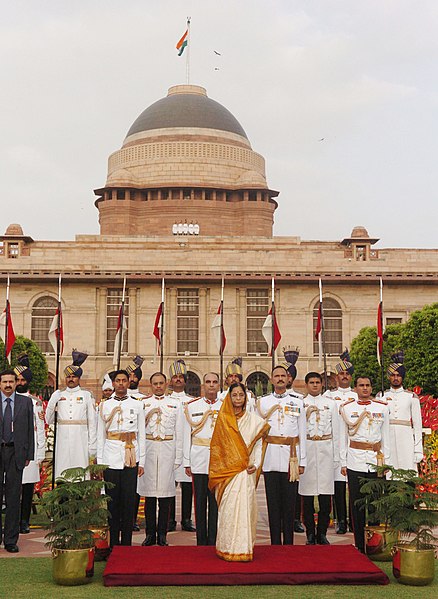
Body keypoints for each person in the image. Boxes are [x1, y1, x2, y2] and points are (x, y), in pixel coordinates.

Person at [209, 382, 270, 561]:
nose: (237, 398)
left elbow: (258, 445)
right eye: (234, 395)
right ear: (229, 397)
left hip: (246, 471)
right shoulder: (224, 420)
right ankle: (226, 547)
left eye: (240, 395)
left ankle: (244, 548)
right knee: (228, 509)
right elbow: (218, 448)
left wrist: (256, 464)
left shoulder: (255, 421)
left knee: (246, 509)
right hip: (227, 473)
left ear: (245, 398)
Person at [339, 375, 390, 553]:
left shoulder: (382, 408)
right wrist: (343, 462)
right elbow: (342, 437)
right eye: (361, 385)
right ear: (355, 388)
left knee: (375, 503)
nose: (365, 388)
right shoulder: (346, 408)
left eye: (368, 385)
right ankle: (359, 544)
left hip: (375, 461)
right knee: (357, 504)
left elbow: (387, 437)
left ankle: (374, 543)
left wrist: (386, 463)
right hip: (355, 460)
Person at [258, 365, 307, 545]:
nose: (279, 379)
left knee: (289, 503)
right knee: (273, 503)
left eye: (282, 376)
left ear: (288, 379)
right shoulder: (262, 403)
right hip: (270, 457)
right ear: (271, 380)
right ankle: (274, 543)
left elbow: (302, 433)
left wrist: (303, 461)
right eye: (276, 376)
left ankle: (288, 543)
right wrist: (258, 461)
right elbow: (258, 434)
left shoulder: (298, 402)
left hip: (290, 458)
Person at [97, 369, 145, 548]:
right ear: (113, 383)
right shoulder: (104, 405)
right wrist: (100, 462)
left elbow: (141, 435)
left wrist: (142, 461)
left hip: (130, 456)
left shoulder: (137, 404)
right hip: (111, 456)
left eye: (124, 380)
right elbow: (100, 435)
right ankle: (113, 545)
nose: (121, 384)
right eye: (118, 380)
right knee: (113, 502)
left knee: (128, 501)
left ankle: (126, 544)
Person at [138, 372, 184, 547]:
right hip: (149, 449)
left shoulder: (175, 404)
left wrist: (178, 457)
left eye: (161, 383)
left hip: (167, 449)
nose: (158, 386)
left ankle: (163, 534)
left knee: (165, 496)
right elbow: (139, 432)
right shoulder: (143, 404)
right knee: (149, 495)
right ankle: (150, 534)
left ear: (166, 384)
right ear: (151, 385)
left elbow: (179, 432)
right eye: (155, 383)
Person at [299, 372, 339, 545]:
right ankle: (309, 533)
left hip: (325, 451)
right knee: (306, 497)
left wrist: (337, 458)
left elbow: (337, 432)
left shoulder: (331, 404)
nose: (315, 385)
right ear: (306, 385)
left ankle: (322, 532)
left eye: (317, 382)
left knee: (325, 496)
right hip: (307, 450)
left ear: (322, 384)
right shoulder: (301, 404)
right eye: (311, 382)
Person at [183, 372, 222, 546]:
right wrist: (187, 461)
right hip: (198, 458)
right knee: (199, 503)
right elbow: (186, 436)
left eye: (214, 382)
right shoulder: (192, 406)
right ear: (203, 385)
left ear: (219, 385)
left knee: (215, 503)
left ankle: (213, 539)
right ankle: (201, 541)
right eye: (208, 382)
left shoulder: (226, 406)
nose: (211, 385)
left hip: (219, 460)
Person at [45, 350, 96, 479]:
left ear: (78, 378)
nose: (71, 379)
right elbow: (48, 419)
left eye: (73, 376)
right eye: (68, 377)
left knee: (80, 472)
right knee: (63, 472)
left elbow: (92, 422)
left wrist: (92, 445)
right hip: (62, 439)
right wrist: (52, 401)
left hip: (81, 439)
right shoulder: (59, 395)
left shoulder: (86, 395)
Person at [0, 369, 34, 552]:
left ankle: (11, 540)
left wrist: (29, 454)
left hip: (16, 453)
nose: (8, 385)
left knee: (13, 497)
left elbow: (30, 430)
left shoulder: (25, 402)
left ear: (15, 383)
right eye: (4, 382)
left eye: (11, 382)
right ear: (0, 383)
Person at [324, 349, 357, 534]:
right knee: (337, 486)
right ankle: (340, 520)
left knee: (353, 486)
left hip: (352, 445)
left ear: (351, 377)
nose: (344, 377)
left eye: (347, 374)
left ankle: (354, 520)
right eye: (341, 373)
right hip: (335, 445)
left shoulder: (356, 396)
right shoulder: (329, 396)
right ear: (336, 377)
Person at [14, 355, 46, 534]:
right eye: (17, 379)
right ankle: (12, 519)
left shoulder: (35, 402)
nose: (19, 382)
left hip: (30, 451)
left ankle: (24, 521)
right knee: (12, 488)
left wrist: (40, 452)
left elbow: (39, 427)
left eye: (23, 379)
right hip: (12, 450)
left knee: (27, 488)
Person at [167, 360, 196, 533]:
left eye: (181, 377)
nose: (178, 380)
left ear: (185, 381)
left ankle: (186, 518)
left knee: (187, 486)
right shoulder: (166, 400)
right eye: (175, 377)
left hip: (187, 446)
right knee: (169, 484)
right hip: (169, 447)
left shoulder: (192, 402)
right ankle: (170, 519)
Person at [383, 352, 423, 470]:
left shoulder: (411, 397)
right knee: (389, 476)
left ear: (402, 377)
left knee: (407, 476)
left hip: (406, 441)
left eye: (398, 375)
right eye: (393, 375)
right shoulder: (381, 396)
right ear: (389, 376)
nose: (395, 378)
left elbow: (417, 426)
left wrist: (418, 450)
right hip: (387, 441)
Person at [281, 346, 305, 534]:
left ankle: (295, 518)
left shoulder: (299, 399)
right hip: (276, 450)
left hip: (293, 451)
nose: (285, 379)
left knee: (294, 489)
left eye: (288, 376)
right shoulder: (267, 401)